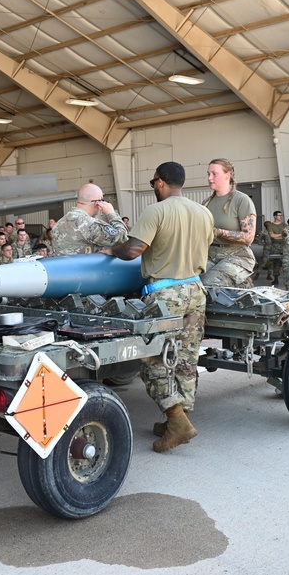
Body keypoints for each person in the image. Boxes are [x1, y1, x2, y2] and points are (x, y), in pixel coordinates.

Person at [103, 162, 213, 453]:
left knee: (153, 361)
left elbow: (132, 251)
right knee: (187, 359)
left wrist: (112, 250)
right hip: (196, 290)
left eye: (154, 182)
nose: (154, 187)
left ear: (161, 182)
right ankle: (177, 419)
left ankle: (177, 421)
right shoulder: (203, 212)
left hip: (166, 294)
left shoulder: (157, 211)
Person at [202, 158, 256, 287]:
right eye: (208, 174)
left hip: (236, 254)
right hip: (211, 254)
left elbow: (248, 238)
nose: (210, 178)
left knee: (210, 283)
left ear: (228, 175)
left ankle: (243, 285)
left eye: (214, 174)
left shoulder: (241, 200)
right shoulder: (206, 203)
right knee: (192, 283)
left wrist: (219, 232)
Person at [50, 183, 128, 256]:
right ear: (98, 202)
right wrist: (111, 213)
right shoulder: (89, 224)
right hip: (83, 270)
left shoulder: (60, 222)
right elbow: (123, 238)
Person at [258, 211, 285, 283]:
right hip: (272, 247)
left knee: (286, 262)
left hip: (283, 246)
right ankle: (274, 277)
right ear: (275, 216)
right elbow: (272, 236)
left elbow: (286, 235)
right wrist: (263, 244)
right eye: (279, 215)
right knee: (273, 262)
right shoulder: (269, 227)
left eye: (281, 215)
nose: (281, 216)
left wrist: (278, 236)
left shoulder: (284, 225)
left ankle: (288, 279)